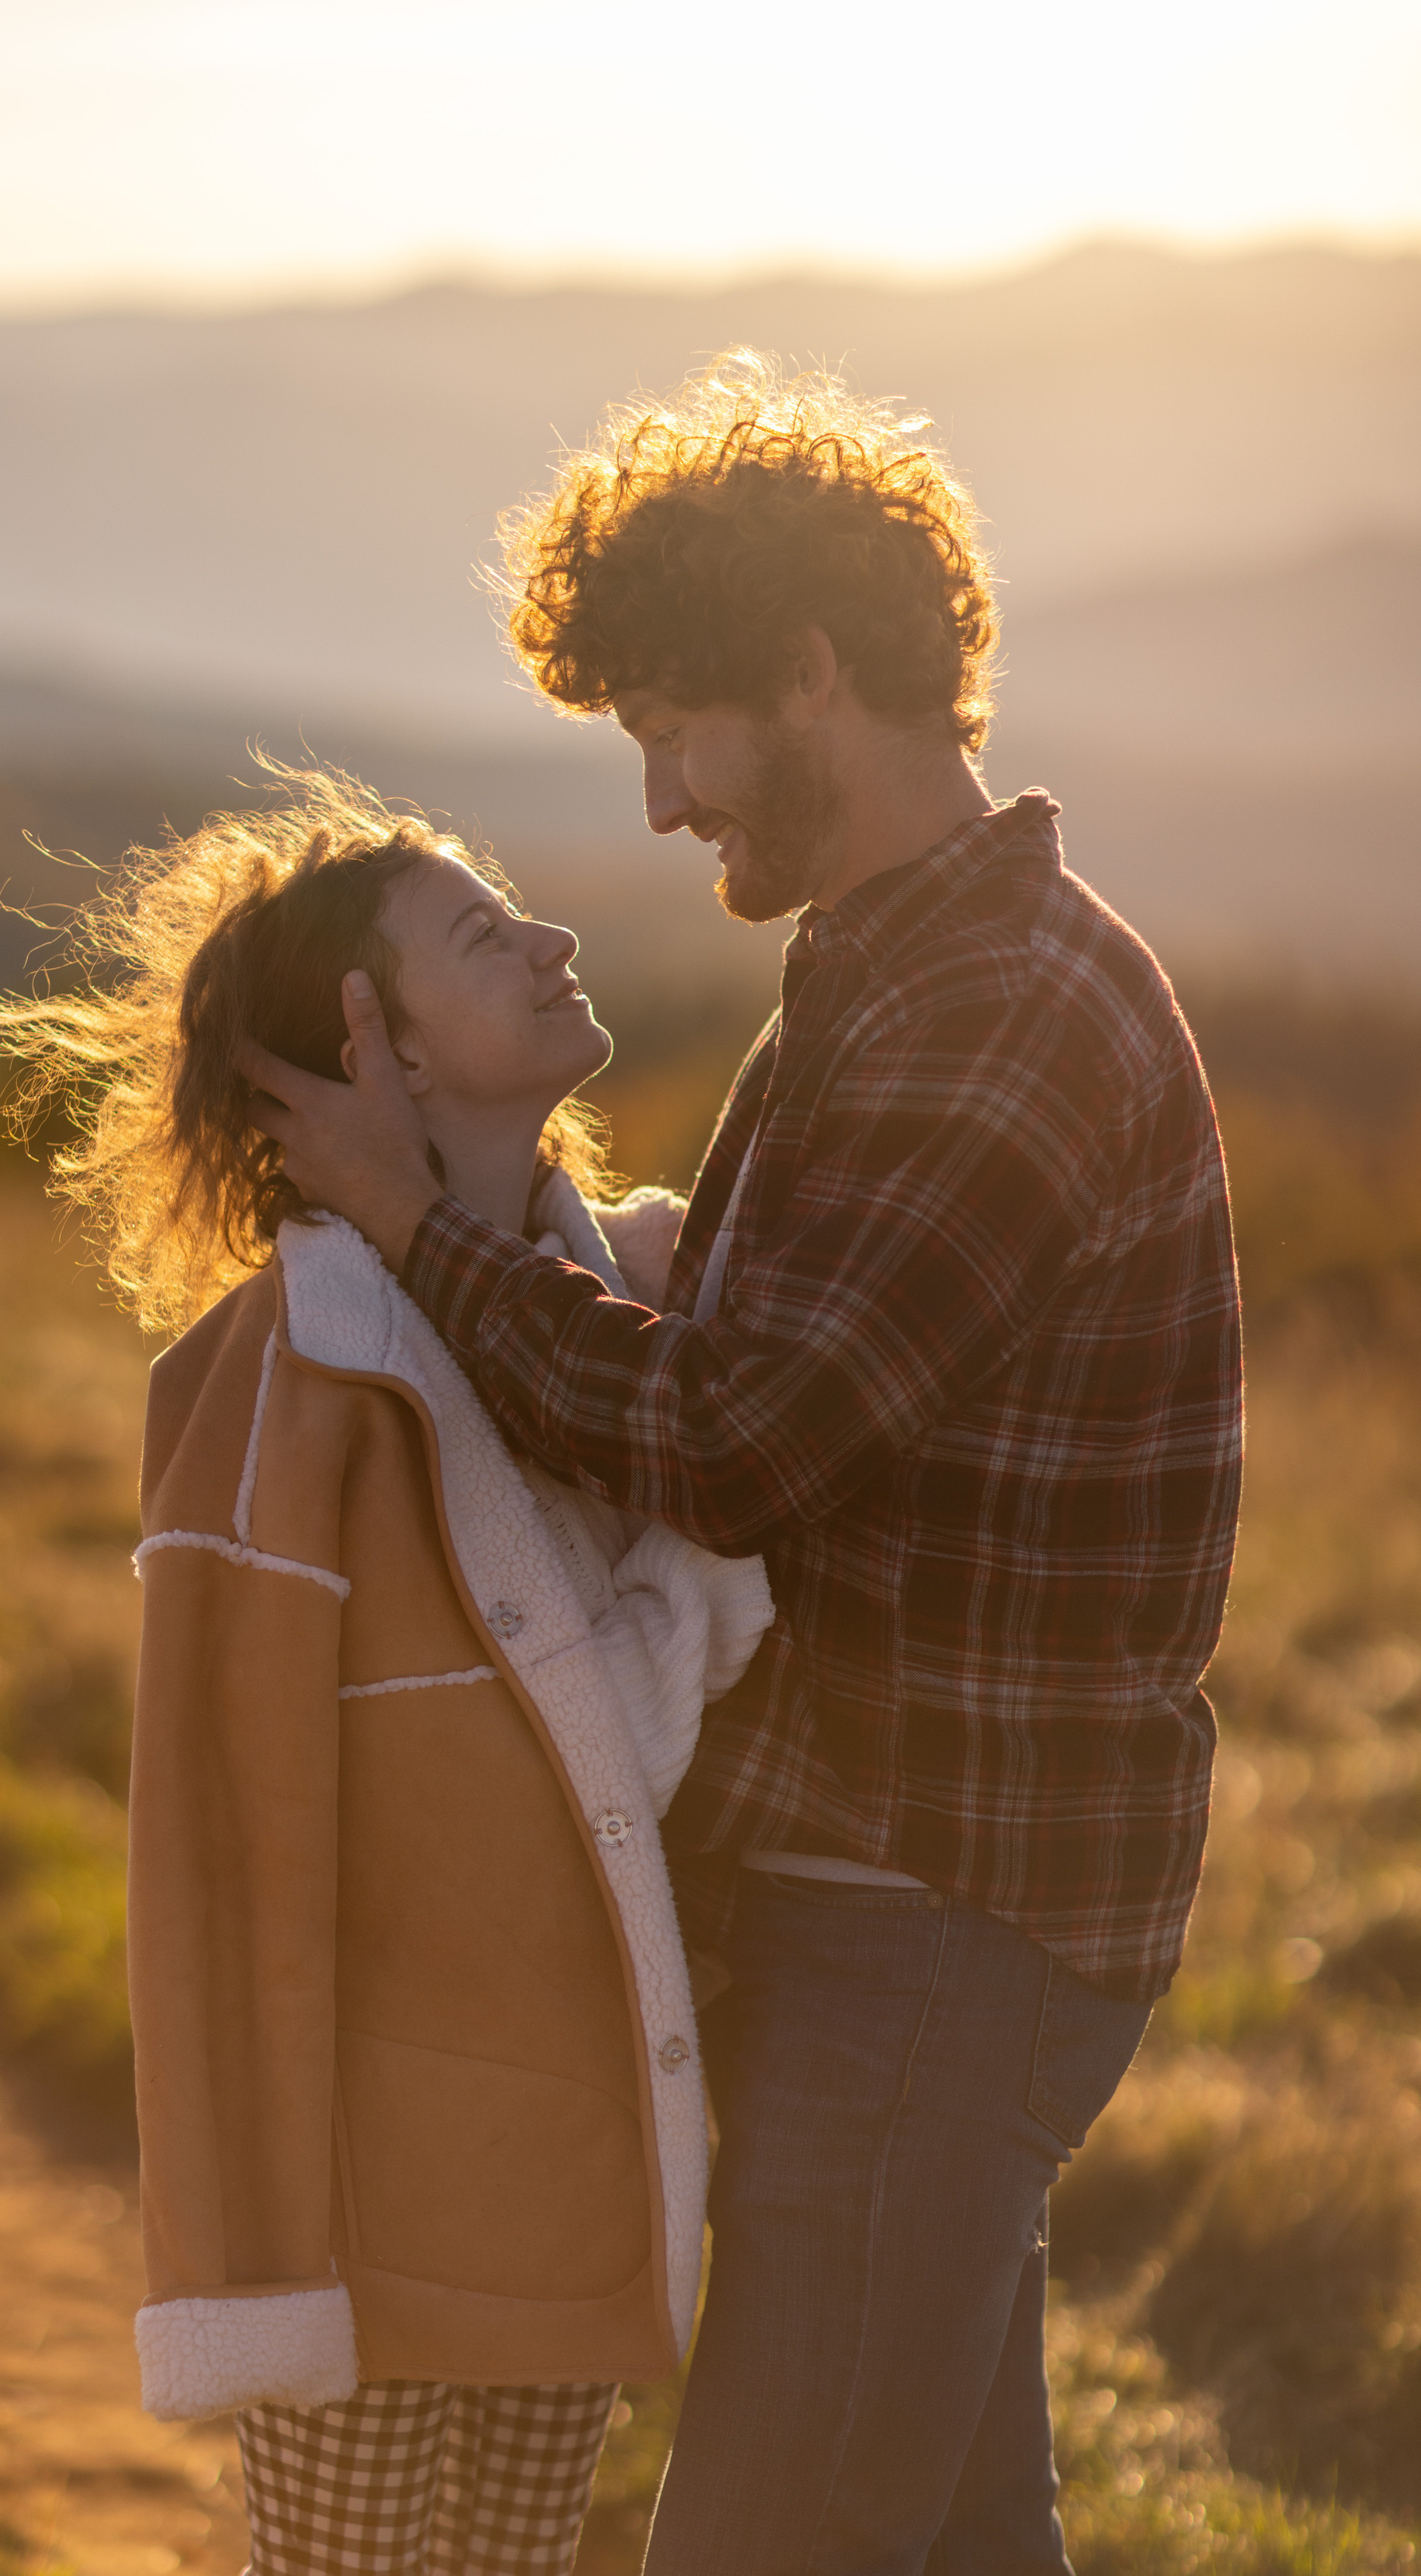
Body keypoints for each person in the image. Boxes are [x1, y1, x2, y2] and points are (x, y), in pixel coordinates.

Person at [238, 360, 1245, 2573]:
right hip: (893, 1903)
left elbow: (735, 1438)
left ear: (812, 670)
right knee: (964, 2545)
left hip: (939, 1913)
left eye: (675, 728)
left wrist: (414, 1230)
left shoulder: (998, 1008)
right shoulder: (885, 982)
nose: (671, 801)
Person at [0, 775, 772, 2575]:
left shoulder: (644, 1300)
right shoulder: (277, 1387)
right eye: (485, 935)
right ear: (370, 1043)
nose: (554, 933)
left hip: (576, 2150)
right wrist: (262, 2262)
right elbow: (221, 1872)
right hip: (373, 2191)